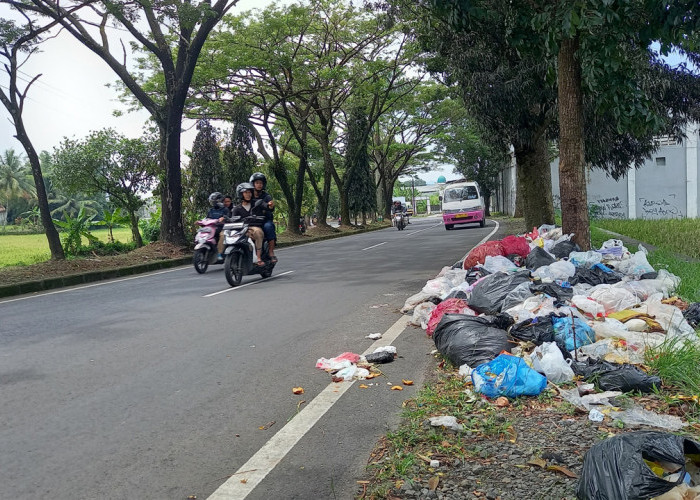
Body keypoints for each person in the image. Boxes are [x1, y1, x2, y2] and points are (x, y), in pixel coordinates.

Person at [231, 183, 266, 266]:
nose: (248, 194)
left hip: (253, 228)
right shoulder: (236, 209)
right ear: (241, 194)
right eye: (245, 192)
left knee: (258, 232)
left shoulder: (256, 204)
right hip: (241, 229)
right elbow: (233, 221)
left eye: (249, 192)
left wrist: (269, 206)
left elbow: (266, 206)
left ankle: (258, 257)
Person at [249, 172, 277, 262]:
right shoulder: (248, 196)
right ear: (253, 184)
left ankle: (271, 252)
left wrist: (270, 205)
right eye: (257, 183)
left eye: (261, 183)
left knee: (269, 227)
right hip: (251, 220)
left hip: (264, 220)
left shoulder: (266, 196)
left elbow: (270, 206)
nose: (259, 185)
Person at [206, 192, 229, 260]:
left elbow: (228, 218)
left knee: (222, 235)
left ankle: (219, 253)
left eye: (214, 201)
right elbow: (207, 218)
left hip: (222, 228)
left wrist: (223, 218)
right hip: (212, 228)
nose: (213, 203)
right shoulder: (211, 210)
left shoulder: (225, 209)